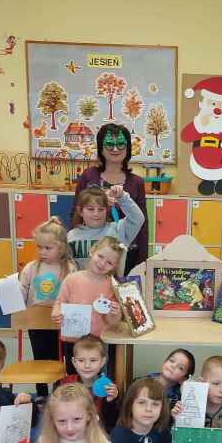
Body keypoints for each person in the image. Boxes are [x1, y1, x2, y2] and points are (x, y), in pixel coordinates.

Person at [73, 123, 148, 274]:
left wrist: (142, 261)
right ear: (101, 147)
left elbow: (142, 223)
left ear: (127, 148)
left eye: (121, 144)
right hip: (92, 253)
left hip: (126, 252)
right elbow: (75, 212)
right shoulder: (88, 176)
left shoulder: (136, 182)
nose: (115, 149)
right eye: (109, 144)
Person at [19, 217, 76, 407]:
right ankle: (42, 394)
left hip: (61, 322)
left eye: (48, 248)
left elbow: (74, 294)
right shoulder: (31, 268)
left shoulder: (69, 268)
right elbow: (22, 290)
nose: (42, 252)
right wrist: (10, 290)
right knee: (40, 358)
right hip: (37, 324)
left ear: (61, 247)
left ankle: (59, 391)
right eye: (39, 247)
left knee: (60, 360)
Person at [52, 236, 123, 374]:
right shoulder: (72, 279)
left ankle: (96, 396)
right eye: (100, 256)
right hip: (73, 340)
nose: (102, 263)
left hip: (98, 343)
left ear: (114, 266)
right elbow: (59, 303)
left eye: (109, 262)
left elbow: (112, 322)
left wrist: (115, 313)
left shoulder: (113, 286)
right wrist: (56, 313)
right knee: (73, 377)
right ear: (92, 251)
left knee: (98, 380)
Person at [68, 184, 144, 276]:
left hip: (111, 288)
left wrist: (122, 197)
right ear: (80, 211)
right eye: (90, 209)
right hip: (80, 288)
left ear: (106, 210)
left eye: (101, 209)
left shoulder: (118, 230)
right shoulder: (71, 236)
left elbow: (138, 218)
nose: (96, 214)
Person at [61, 334, 119, 430]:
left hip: (98, 434)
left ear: (102, 362)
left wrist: (111, 401)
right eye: (81, 360)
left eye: (93, 360)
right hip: (71, 432)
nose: (87, 365)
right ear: (74, 362)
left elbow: (112, 423)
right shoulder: (65, 384)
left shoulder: (108, 387)